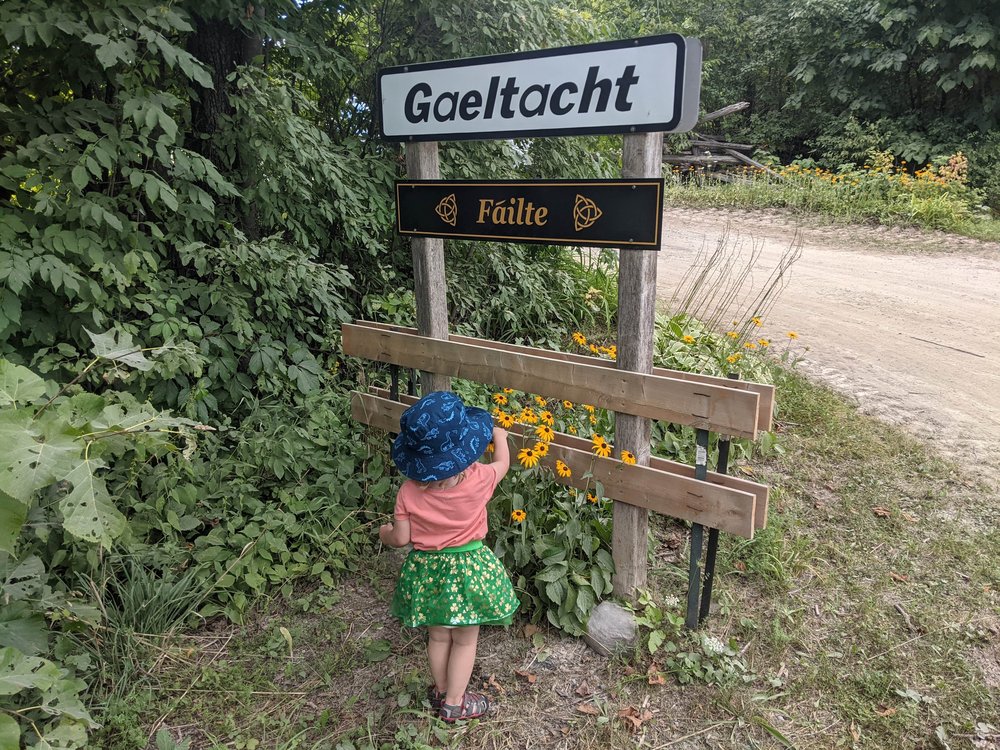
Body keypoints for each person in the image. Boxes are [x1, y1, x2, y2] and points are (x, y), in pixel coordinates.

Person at [379, 391, 519, 723]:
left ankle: (441, 690)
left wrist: (383, 533)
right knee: (465, 639)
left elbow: (400, 538)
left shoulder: (408, 492)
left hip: (428, 571)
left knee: (438, 635)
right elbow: (503, 464)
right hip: (469, 570)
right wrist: (499, 436)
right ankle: (455, 703)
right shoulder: (478, 480)